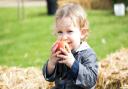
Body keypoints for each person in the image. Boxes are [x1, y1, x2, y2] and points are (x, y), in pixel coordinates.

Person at [43, 3, 98, 89]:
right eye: (60, 32)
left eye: (69, 31)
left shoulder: (88, 54)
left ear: (82, 33)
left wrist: (73, 63)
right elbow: (49, 77)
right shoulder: (59, 53)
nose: (64, 37)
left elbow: (91, 81)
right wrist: (51, 63)